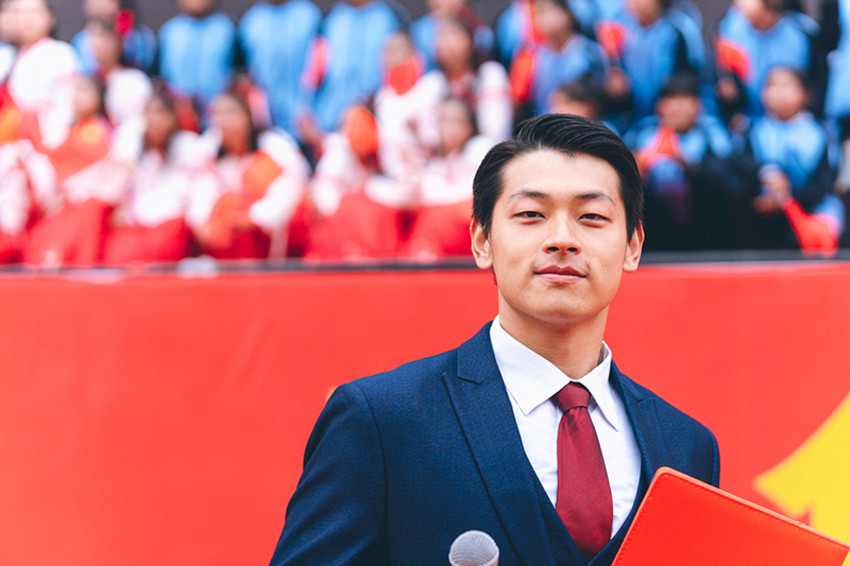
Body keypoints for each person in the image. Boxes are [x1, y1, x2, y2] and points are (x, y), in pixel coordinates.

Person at [268, 113, 720, 565]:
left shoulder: (687, 448)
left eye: (592, 217)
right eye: (531, 215)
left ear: (633, 246)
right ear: (482, 241)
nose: (563, 239)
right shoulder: (382, 420)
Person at [238, 0, 322, 136]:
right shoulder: (251, 21)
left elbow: (321, 66)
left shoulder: (309, 16)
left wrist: (308, 110)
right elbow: (244, 73)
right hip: (265, 123)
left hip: (308, 120)